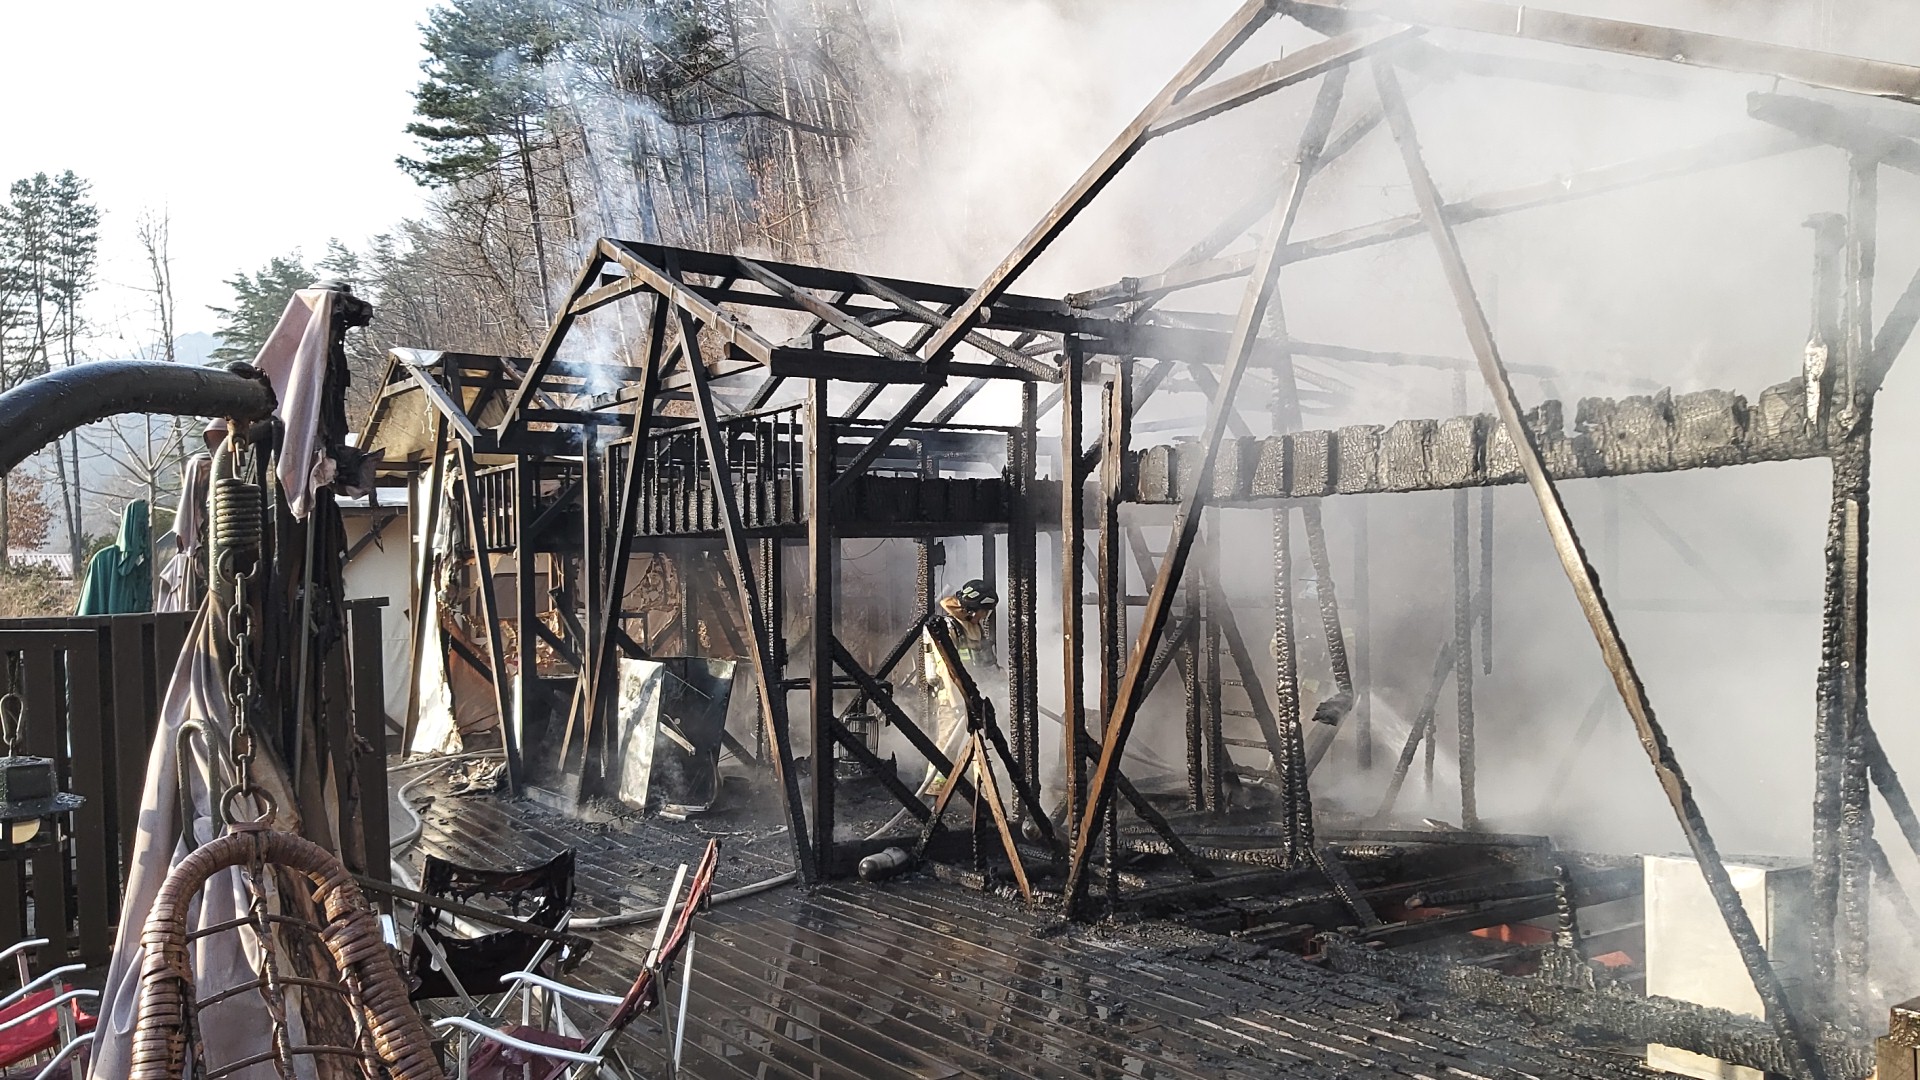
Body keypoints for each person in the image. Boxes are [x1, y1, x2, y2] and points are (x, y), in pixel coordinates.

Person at [938, 578, 999, 669]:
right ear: (972, 610)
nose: (984, 615)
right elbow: (947, 669)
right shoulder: (949, 627)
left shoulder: (975, 627)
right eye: (983, 611)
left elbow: (988, 662)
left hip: (976, 677)